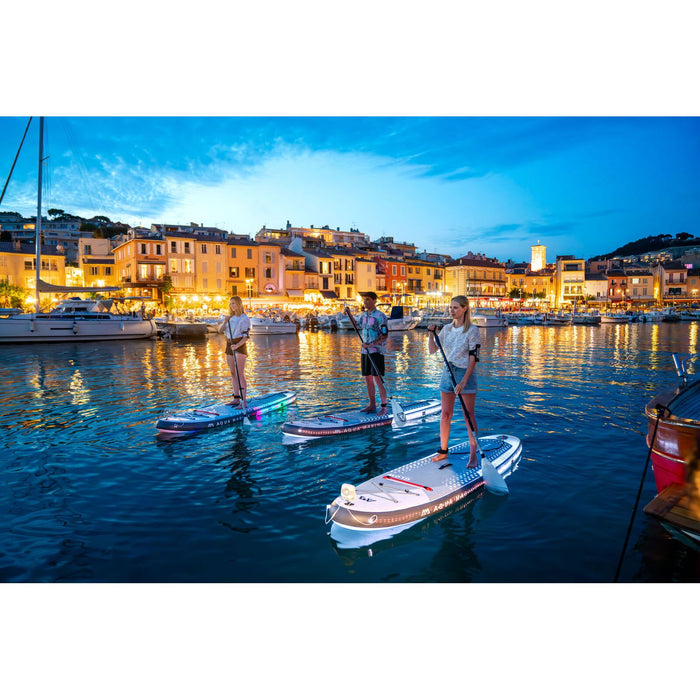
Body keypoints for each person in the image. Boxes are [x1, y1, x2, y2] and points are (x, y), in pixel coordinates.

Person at [428, 295, 481, 467]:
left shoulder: (472, 330)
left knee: (468, 415)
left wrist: (464, 381)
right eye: (450, 307)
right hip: (447, 371)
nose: (452, 310)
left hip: (465, 372)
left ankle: (473, 454)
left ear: (465, 308)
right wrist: (431, 334)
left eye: (456, 307)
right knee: (445, 414)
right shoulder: (446, 329)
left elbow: (474, 358)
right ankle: (443, 451)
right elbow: (432, 350)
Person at [357, 291, 389, 414]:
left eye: (368, 300)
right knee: (368, 378)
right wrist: (348, 315)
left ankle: (384, 406)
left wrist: (370, 344)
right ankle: (372, 405)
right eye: (364, 300)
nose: (366, 302)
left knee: (378, 378)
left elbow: (384, 335)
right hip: (365, 352)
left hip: (376, 352)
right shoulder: (363, 315)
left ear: (375, 300)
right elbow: (359, 326)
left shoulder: (380, 316)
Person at [218, 295, 251, 408]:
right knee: (232, 373)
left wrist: (237, 345)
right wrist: (225, 321)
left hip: (239, 345)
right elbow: (220, 331)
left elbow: (246, 337)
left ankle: (244, 402)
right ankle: (236, 398)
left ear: (239, 305)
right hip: (229, 344)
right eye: (230, 303)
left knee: (239, 374)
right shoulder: (229, 318)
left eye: (234, 303)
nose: (232, 306)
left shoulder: (244, 318)